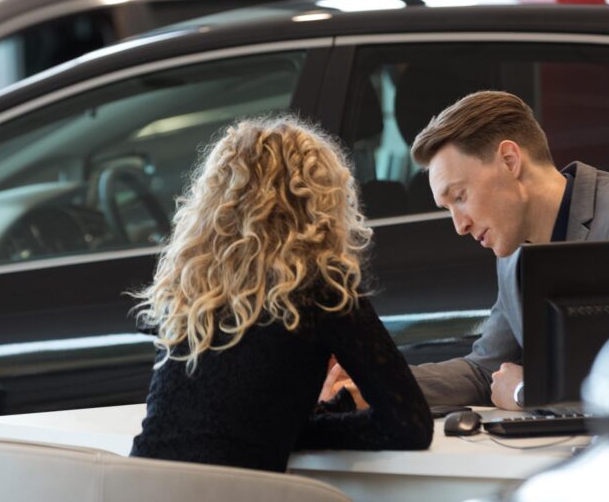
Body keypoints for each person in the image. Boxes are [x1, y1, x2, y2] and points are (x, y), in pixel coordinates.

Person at [322, 91, 609, 411]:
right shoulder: (512, 251)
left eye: (460, 197)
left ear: (510, 160)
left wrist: (528, 392)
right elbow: (485, 369)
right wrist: (377, 382)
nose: (459, 225)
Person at [130, 116, 433, 472]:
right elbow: (408, 425)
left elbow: (209, 423)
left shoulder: (190, 287)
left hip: (138, 484)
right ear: (320, 202)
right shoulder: (320, 289)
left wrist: (290, 425)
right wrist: (307, 428)